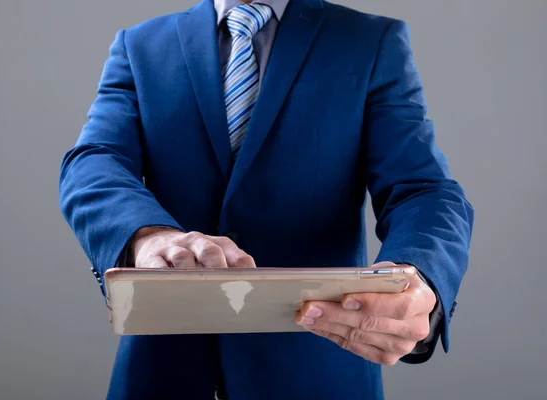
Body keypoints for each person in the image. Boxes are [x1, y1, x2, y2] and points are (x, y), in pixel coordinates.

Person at [59, 0, 474, 398]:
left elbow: (421, 189)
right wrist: (146, 235)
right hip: (162, 373)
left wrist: (420, 273)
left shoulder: (369, 41)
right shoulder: (140, 45)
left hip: (318, 370)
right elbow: (94, 161)